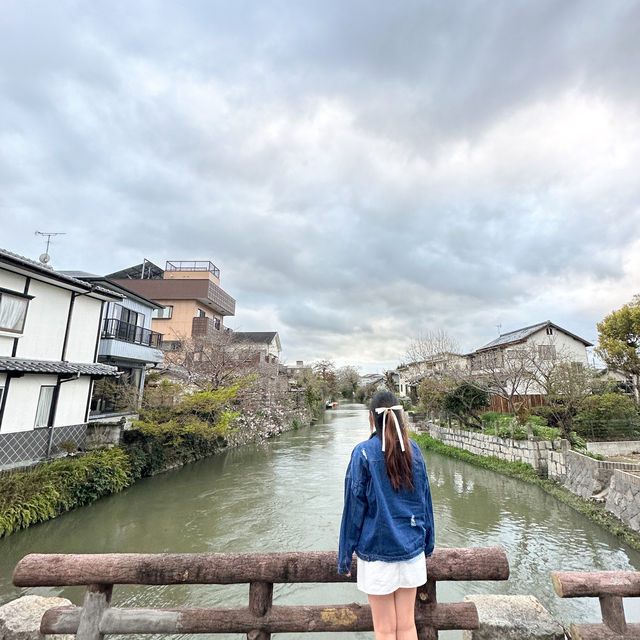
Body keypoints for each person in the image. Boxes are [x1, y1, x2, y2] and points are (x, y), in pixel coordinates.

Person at [338, 391, 435, 640]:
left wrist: (344, 556)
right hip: (412, 551)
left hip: (377, 554)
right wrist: (428, 544)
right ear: (402, 418)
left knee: (383, 629)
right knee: (407, 626)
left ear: (372, 418)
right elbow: (425, 503)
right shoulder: (414, 451)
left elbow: (353, 510)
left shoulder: (362, 453)